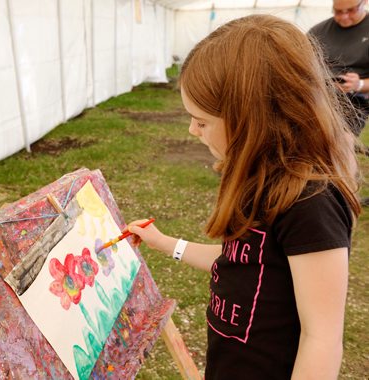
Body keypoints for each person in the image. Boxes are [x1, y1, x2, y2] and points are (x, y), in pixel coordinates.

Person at [126, 15, 361, 380]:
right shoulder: (257, 178)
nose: (192, 130)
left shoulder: (311, 202)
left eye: (202, 121)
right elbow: (240, 261)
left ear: (254, 118)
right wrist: (165, 243)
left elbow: (322, 339)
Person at [309, 0, 369, 136]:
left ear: (364, 2)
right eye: (338, 11)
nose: (344, 17)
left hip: (353, 101)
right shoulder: (318, 31)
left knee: (337, 136)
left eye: (351, 10)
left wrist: (359, 84)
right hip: (317, 94)